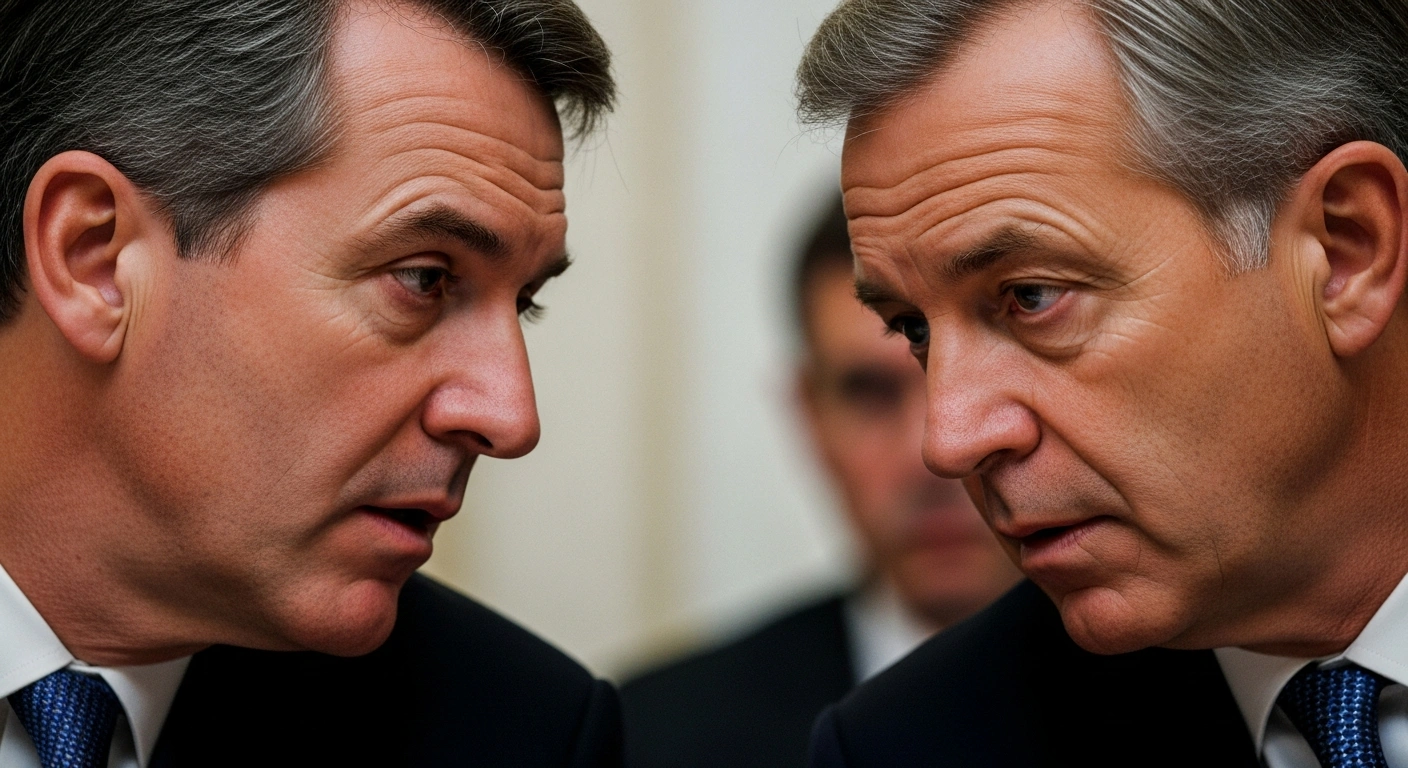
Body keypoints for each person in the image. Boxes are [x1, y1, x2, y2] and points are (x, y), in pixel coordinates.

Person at [0, 1, 620, 766]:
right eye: (423, 278)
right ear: (94, 257)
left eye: (522, 302)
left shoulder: (521, 734)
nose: (512, 418)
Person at [793, 1, 1408, 766]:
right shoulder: (910, 746)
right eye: (914, 329)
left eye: (1032, 296)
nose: (948, 441)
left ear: (1345, 250)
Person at [619, 196, 1020, 767]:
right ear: (810, 416)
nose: (930, 456)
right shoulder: (652, 736)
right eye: (869, 394)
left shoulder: (1165, 698)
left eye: (976, 379)